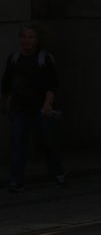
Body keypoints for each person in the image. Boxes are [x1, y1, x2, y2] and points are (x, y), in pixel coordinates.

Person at [1, 23, 64, 192]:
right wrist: (4, 103)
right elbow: (6, 84)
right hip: (20, 107)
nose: (26, 40)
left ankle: (57, 173)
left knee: (49, 141)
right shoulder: (14, 59)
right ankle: (16, 180)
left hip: (41, 108)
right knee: (17, 143)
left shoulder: (44, 59)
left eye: (30, 37)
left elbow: (52, 84)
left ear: (37, 40)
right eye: (24, 37)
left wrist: (47, 104)